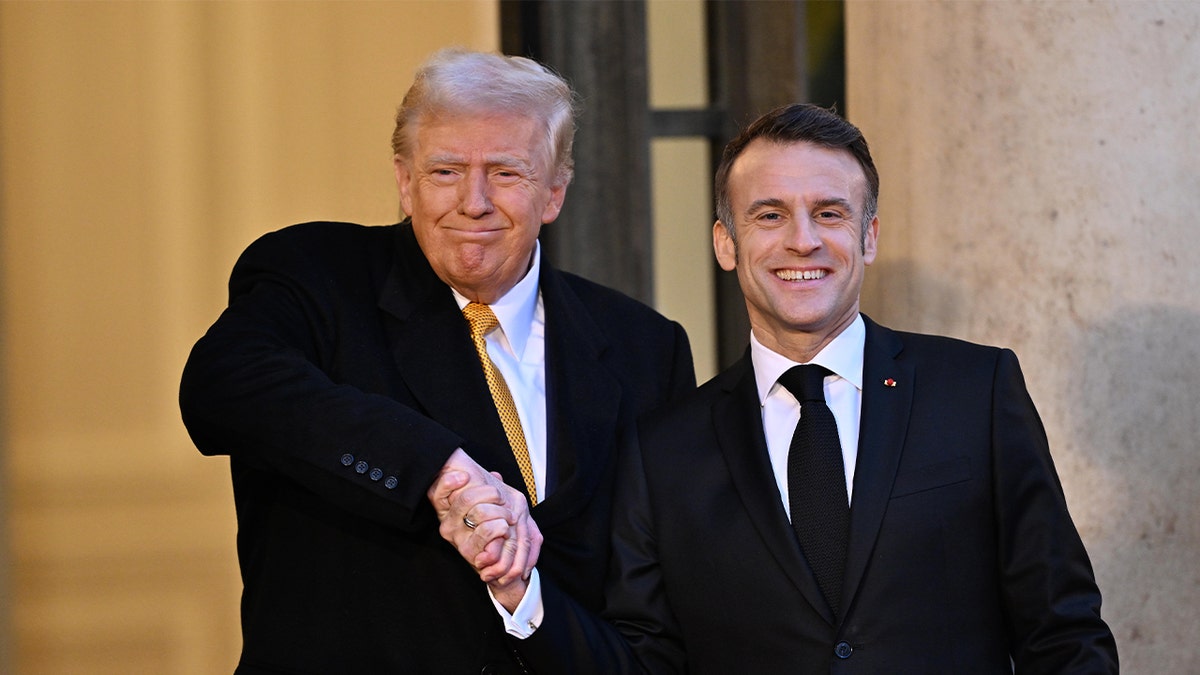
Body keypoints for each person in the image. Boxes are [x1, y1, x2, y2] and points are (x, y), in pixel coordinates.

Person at [435, 103, 1119, 673]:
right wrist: (523, 591)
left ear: (869, 235)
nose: (802, 241)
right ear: (725, 243)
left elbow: (1062, 630)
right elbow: (646, 663)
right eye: (768, 215)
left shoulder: (975, 390)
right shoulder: (664, 449)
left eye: (829, 213)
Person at [178, 47, 695, 674]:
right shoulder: (316, 275)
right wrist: (437, 469)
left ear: (554, 191)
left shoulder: (643, 346)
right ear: (404, 181)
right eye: (446, 171)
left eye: (505, 173)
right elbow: (221, 387)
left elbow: (650, 608)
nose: (472, 202)